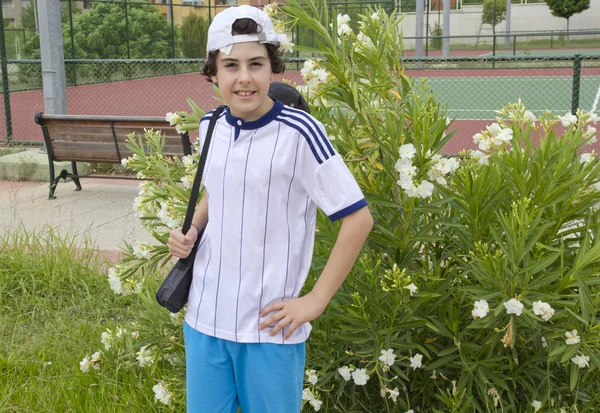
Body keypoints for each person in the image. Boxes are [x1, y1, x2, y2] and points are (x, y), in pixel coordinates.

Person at [167, 5, 373, 413]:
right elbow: (220, 190)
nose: (244, 78)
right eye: (231, 65)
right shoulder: (210, 125)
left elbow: (359, 219)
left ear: (273, 68)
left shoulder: (301, 132)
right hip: (205, 320)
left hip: (269, 328)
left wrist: (314, 301)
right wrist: (189, 228)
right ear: (213, 73)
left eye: (256, 63)